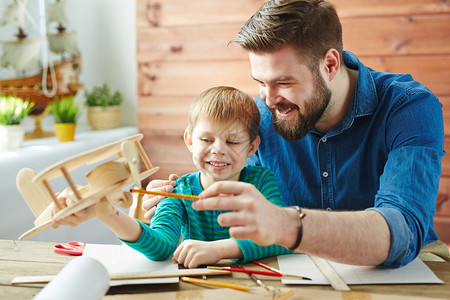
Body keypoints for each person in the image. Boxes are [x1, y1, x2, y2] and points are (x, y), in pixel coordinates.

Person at [143, 0, 447, 268]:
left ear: (329, 64)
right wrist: (176, 205)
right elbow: (239, 216)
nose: (268, 98)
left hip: (408, 274)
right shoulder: (259, 115)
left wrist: (288, 225)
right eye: (260, 82)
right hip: (292, 275)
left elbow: (402, 231)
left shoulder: (408, 107)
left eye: (283, 83)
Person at [55, 86, 291, 268]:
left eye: (232, 141)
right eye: (206, 140)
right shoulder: (177, 191)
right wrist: (105, 213)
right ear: (190, 141)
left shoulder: (261, 181)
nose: (218, 149)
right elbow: (161, 247)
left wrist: (220, 249)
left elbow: (284, 235)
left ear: (251, 148)